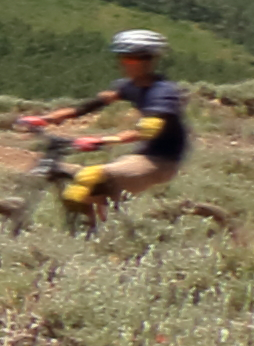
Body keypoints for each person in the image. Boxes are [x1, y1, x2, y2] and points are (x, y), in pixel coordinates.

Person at [40, 29, 197, 218]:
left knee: (90, 176)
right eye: (122, 58)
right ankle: (95, 229)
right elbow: (89, 106)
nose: (124, 64)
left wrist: (102, 140)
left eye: (131, 59)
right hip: (142, 155)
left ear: (148, 60)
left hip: (161, 162)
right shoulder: (128, 86)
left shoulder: (163, 93)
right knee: (71, 175)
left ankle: (123, 235)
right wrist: (47, 118)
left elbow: (148, 131)